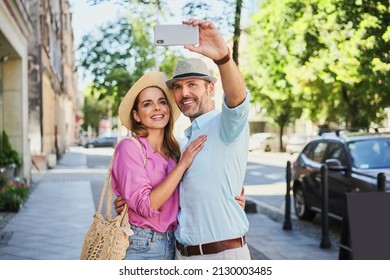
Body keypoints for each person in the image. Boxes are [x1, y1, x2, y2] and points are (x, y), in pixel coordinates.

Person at [116, 18, 251, 260]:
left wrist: (223, 58)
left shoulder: (225, 125)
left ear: (210, 89)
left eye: (192, 84)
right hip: (179, 254)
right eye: (177, 87)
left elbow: (238, 98)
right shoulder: (181, 143)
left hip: (220, 255)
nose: (184, 93)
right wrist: (129, 203)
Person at [112, 71, 207, 260]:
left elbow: (190, 194)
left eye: (162, 102)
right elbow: (146, 206)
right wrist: (183, 165)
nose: (157, 108)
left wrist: (231, 200)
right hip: (141, 245)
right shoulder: (129, 148)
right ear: (137, 115)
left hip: (175, 244)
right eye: (147, 104)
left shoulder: (175, 152)